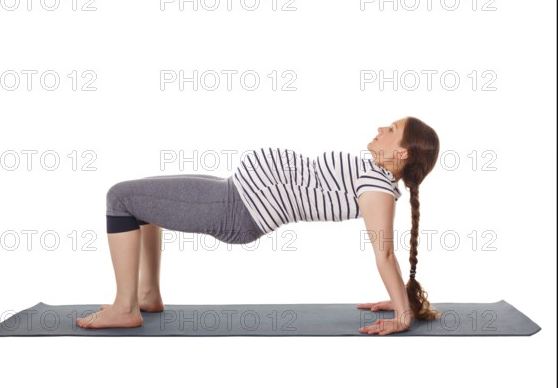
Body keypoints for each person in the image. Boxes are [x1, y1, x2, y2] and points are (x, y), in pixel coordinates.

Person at [76, 116, 442, 335]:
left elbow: (385, 251)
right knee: (142, 203)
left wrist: (403, 314)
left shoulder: (378, 188)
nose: (381, 127)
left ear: (402, 153)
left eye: (391, 129)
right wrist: (398, 300)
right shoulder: (376, 176)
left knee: (119, 197)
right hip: (233, 192)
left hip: (235, 208)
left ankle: (125, 308)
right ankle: (146, 296)